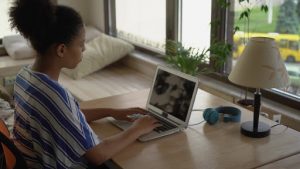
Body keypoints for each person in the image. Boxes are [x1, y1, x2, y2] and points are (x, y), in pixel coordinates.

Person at [9, 0, 159, 168]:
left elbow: (66, 117)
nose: (84, 49)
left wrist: (112, 112)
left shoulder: (24, 76)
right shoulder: (56, 95)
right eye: (81, 44)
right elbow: (97, 155)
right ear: (61, 50)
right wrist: (138, 129)